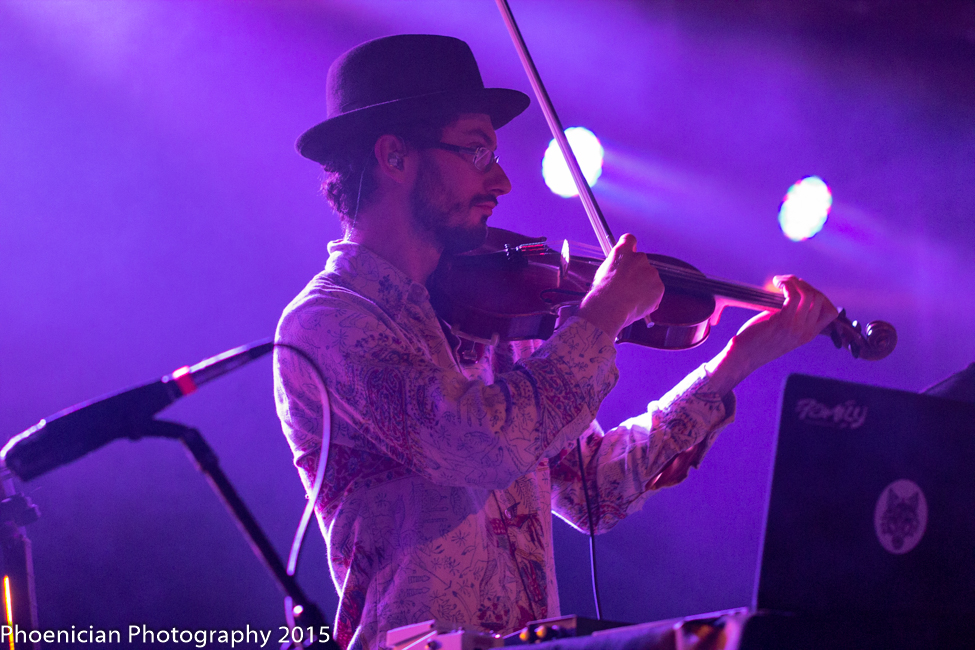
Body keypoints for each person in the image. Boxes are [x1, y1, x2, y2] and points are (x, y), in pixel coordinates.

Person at [273, 34, 837, 650]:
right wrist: (599, 319)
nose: (502, 180)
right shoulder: (328, 323)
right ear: (395, 156)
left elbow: (593, 490)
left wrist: (738, 360)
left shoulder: (489, 314)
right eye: (476, 150)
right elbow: (477, 446)